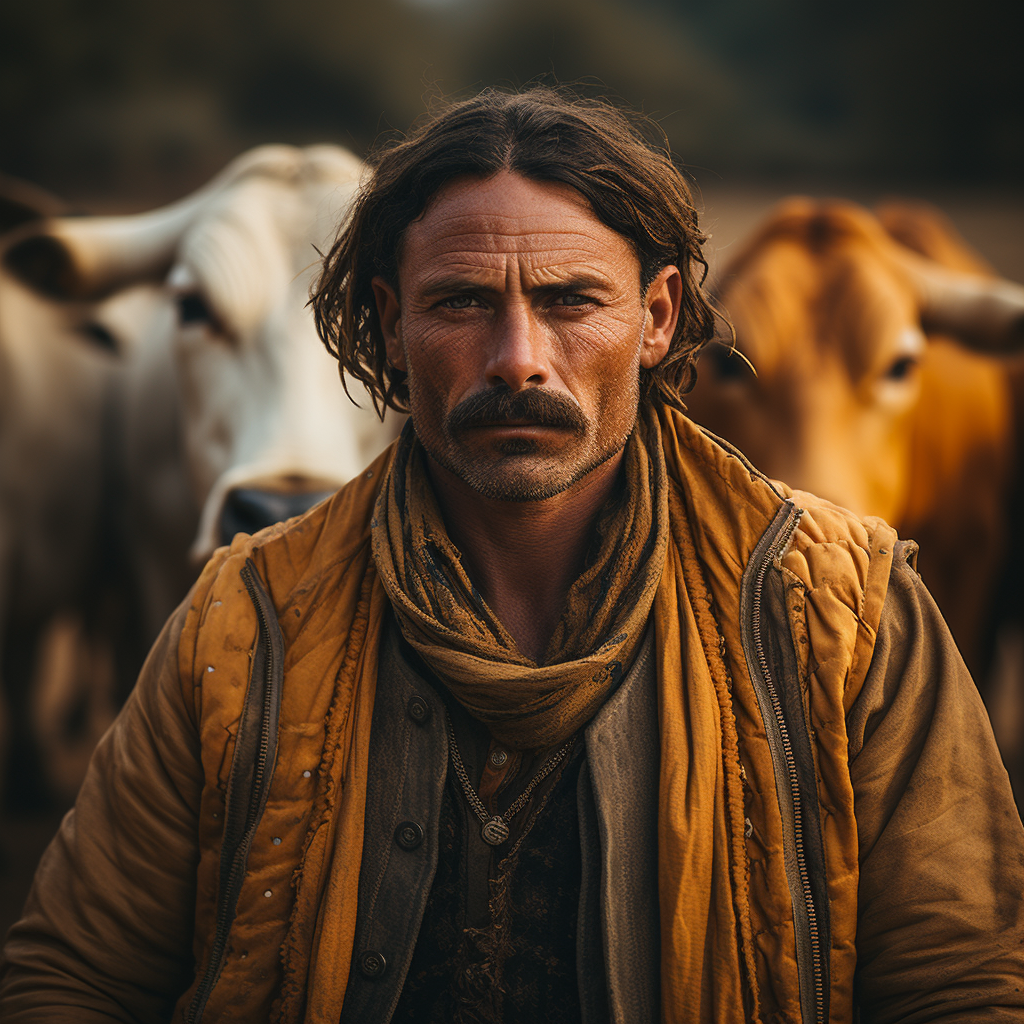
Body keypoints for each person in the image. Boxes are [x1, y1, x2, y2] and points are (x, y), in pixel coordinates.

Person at [1, 86, 1022, 1024]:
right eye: (460, 303)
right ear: (388, 322)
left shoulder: (846, 610)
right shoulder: (245, 618)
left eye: (572, 301)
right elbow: (76, 975)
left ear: (658, 318)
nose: (519, 357)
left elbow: (961, 980)